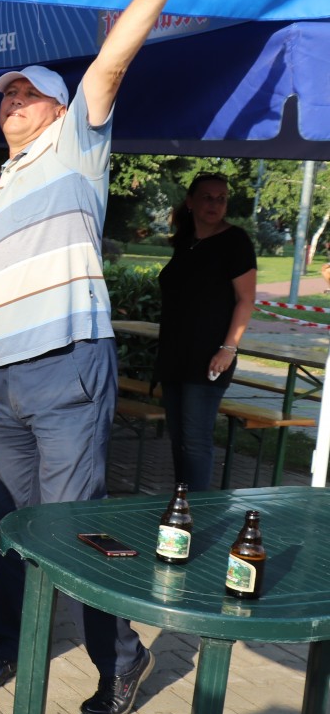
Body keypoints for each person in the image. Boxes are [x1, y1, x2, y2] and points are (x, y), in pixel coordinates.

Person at [0, 0, 231, 714]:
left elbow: (111, 64)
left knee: (72, 526)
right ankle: (10, 645)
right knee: (7, 525)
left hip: (69, 366)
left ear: (56, 107)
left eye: (27, 94)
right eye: (6, 96)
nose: (12, 102)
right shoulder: (5, 185)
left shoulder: (77, 144)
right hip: (7, 375)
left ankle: (121, 657)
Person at [156, 173, 255, 492]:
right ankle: (180, 502)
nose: (215, 204)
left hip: (210, 356)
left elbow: (246, 300)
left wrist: (229, 348)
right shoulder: (186, 241)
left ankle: (196, 509)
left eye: (221, 198)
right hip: (175, 353)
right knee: (178, 438)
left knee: (195, 439)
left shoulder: (235, 241)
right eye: (207, 197)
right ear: (191, 201)